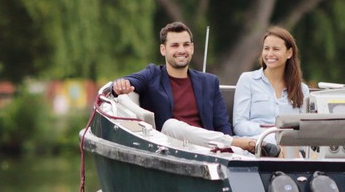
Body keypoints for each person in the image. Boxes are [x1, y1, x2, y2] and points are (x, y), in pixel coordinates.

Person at [112, 21, 261, 153]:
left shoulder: (209, 82)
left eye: (186, 45)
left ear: (192, 48)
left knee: (255, 149)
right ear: (163, 50)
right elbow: (129, 81)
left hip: (210, 150)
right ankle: (241, 144)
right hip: (172, 150)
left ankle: (243, 148)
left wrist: (231, 149)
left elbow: (222, 125)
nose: (181, 50)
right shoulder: (153, 74)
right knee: (171, 125)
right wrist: (120, 85)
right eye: (175, 46)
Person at [233, 26, 312, 154]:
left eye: (276, 49)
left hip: (290, 149)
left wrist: (283, 137)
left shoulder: (302, 90)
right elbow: (239, 125)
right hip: (254, 148)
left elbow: (305, 129)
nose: (269, 54)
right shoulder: (247, 80)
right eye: (266, 48)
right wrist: (272, 132)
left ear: (289, 53)